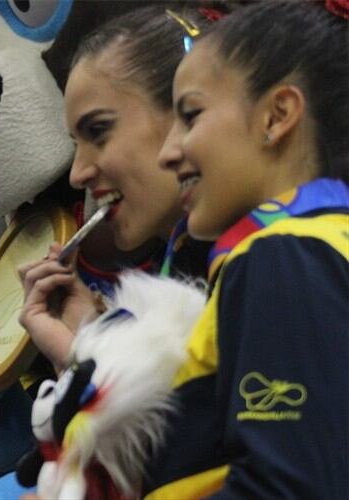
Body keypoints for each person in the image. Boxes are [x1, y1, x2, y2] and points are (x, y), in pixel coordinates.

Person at [146, 2, 348, 497]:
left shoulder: (284, 255)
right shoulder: (323, 245)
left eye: (190, 115)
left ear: (276, 116)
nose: (168, 152)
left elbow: (288, 488)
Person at [19, 4, 214, 373]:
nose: (77, 174)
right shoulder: (187, 263)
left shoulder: (281, 261)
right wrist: (90, 338)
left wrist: (85, 371)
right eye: (76, 143)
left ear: (191, 110)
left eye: (98, 131)